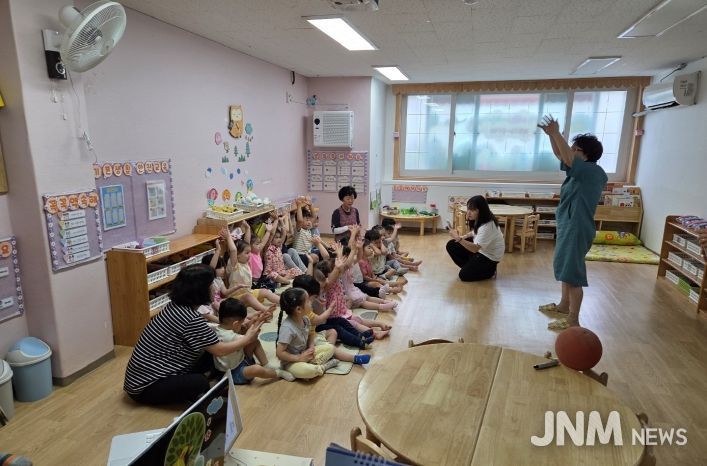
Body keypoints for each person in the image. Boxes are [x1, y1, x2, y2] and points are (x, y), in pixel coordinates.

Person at [123, 264, 261, 405]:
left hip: (147, 375)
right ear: (200, 290)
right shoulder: (189, 318)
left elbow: (211, 338)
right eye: (211, 285)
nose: (215, 288)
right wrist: (247, 339)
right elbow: (219, 350)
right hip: (145, 387)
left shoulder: (175, 307)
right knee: (200, 383)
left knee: (209, 353)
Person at [537, 115, 608, 330]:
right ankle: (563, 305)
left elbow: (567, 157)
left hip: (577, 228)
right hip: (569, 225)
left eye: (575, 148)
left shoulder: (592, 171)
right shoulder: (579, 170)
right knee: (565, 267)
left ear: (585, 153)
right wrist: (552, 136)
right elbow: (562, 155)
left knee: (573, 273)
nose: (571, 151)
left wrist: (557, 133)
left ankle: (573, 319)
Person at [212, 298, 295, 383]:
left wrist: (258, 319)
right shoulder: (230, 337)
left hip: (240, 360)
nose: (243, 325)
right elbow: (252, 336)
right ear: (235, 324)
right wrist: (260, 321)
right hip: (232, 373)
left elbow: (247, 331)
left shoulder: (217, 328)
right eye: (241, 323)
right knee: (256, 369)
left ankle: (266, 365)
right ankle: (278, 373)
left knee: (255, 343)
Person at [276, 287, 340, 380]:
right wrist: (299, 358)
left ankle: (311, 366)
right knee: (309, 371)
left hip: (305, 353)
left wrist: (311, 347)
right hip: (291, 362)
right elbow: (279, 353)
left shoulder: (305, 319)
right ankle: (322, 367)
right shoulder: (287, 328)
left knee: (331, 348)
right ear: (299, 309)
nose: (311, 303)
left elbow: (311, 334)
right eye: (308, 301)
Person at [445, 195, 505, 282]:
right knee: (452, 245)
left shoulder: (488, 225)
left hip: (490, 257)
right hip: (482, 249)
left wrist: (458, 238)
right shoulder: (481, 218)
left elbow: (475, 248)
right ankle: (472, 266)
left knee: (463, 275)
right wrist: (463, 237)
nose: (468, 212)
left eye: (472, 210)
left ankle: (490, 270)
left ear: (481, 210)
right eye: (468, 209)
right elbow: (475, 232)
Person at [221, 226, 279, 314]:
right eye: (247, 253)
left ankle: (285, 302)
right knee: (248, 297)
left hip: (248, 292)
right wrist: (228, 236)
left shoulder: (245, 262)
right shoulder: (234, 265)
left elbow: (247, 242)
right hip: (235, 299)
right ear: (237, 255)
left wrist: (248, 228)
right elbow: (233, 250)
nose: (249, 255)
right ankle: (266, 311)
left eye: (249, 252)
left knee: (265, 291)